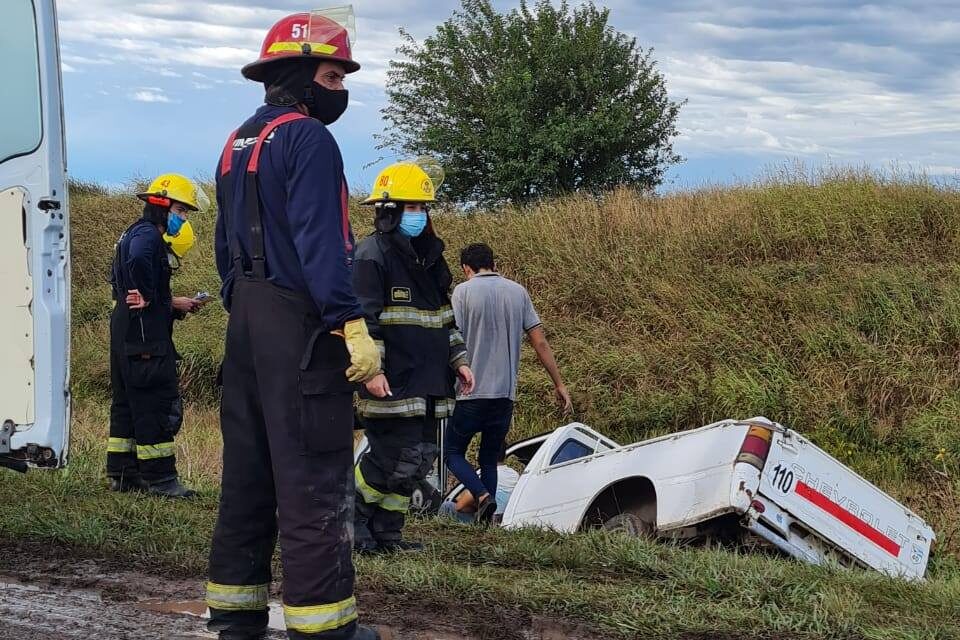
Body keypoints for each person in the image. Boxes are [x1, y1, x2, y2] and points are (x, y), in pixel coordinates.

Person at [205, 10, 381, 640]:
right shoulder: (309, 140)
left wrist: (245, 307)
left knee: (247, 473)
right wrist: (349, 325)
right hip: (299, 329)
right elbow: (324, 245)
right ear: (304, 76)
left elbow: (226, 248)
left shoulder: (238, 142)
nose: (340, 91)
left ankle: (234, 613)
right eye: (334, 77)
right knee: (312, 474)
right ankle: (324, 626)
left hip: (247, 324)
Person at [352, 161, 475, 554]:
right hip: (391, 380)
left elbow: (445, 319)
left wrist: (460, 360)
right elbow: (364, 321)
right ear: (388, 211)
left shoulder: (430, 259)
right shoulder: (371, 255)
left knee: (418, 461)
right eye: (410, 208)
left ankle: (387, 534)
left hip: (430, 383)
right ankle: (352, 525)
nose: (418, 216)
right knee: (390, 458)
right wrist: (371, 372)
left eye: (423, 208)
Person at [445, 242, 573, 523]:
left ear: (466, 268)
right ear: (493, 263)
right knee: (490, 460)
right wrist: (559, 383)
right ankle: (485, 523)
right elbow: (539, 340)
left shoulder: (463, 292)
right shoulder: (518, 292)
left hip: (470, 391)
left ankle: (480, 495)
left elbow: (453, 339)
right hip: (504, 394)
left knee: (452, 451)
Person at [106, 172, 207, 498]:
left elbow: (125, 277)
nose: (183, 218)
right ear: (163, 206)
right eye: (181, 211)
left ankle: (123, 473)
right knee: (155, 403)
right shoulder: (148, 237)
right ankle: (160, 479)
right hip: (145, 338)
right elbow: (138, 261)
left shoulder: (131, 232)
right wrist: (148, 294)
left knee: (127, 403)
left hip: (126, 330)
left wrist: (169, 302)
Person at [440, 442, 520, 524]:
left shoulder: (485, 475)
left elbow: (460, 506)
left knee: (447, 506)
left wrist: (475, 507)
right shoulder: (514, 474)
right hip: (503, 520)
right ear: (504, 455)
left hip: (486, 522)